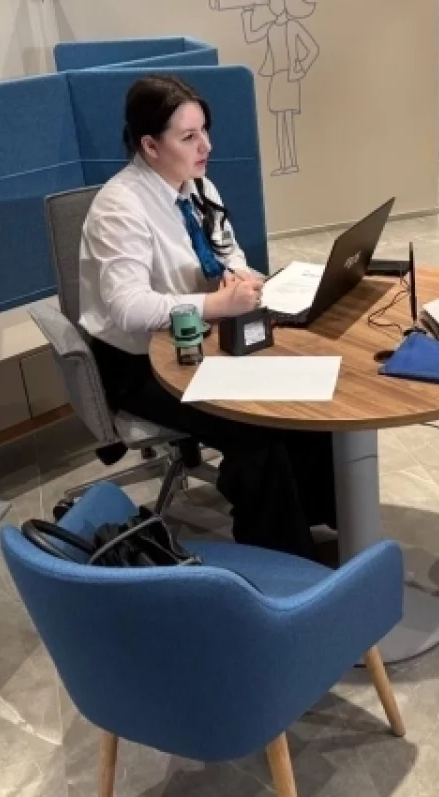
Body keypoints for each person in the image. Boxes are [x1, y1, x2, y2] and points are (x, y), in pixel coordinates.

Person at [78, 74, 336, 560]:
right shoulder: (120, 207)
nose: (207, 146)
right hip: (139, 363)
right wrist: (217, 305)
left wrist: (244, 278)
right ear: (150, 145)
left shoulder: (199, 187)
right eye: (189, 136)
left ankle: (314, 518)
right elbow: (127, 308)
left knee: (302, 398)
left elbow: (229, 253)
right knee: (255, 428)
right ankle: (280, 561)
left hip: (201, 339)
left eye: (205, 131)